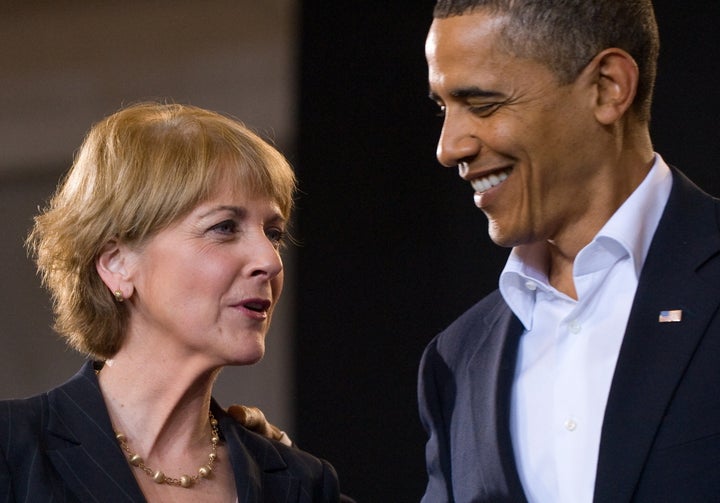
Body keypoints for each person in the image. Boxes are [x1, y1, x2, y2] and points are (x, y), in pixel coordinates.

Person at [418, 1, 720, 502]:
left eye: (484, 104)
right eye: (443, 107)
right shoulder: (456, 359)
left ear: (608, 88)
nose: (448, 147)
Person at [0, 102, 343, 502]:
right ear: (117, 264)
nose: (269, 261)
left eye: (274, 233)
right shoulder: (12, 451)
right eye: (224, 228)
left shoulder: (300, 484)